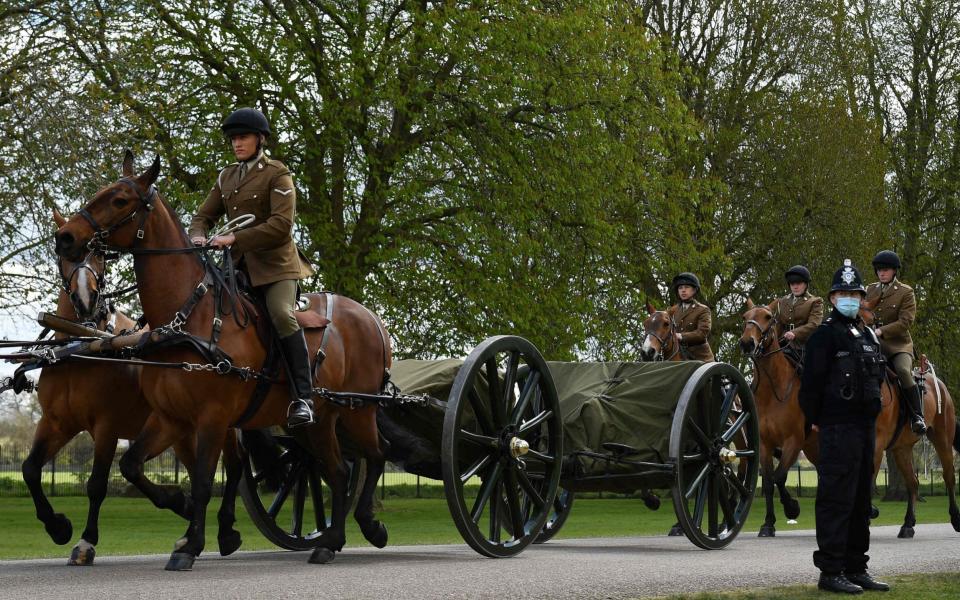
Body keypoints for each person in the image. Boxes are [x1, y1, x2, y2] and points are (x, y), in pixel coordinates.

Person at [188, 108, 316, 428]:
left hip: (276, 268)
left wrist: (234, 237)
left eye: (242, 137)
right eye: (233, 139)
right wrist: (199, 236)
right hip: (236, 270)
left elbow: (281, 226)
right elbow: (203, 216)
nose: (236, 143)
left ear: (260, 140)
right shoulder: (227, 177)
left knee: (281, 314)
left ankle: (304, 398)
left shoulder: (277, 173)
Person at [799, 259, 890, 594]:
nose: (850, 298)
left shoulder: (866, 334)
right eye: (844, 293)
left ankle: (856, 566)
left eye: (855, 292)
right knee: (837, 499)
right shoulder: (824, 335)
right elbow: (809, 387)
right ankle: (831, 571)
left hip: (865, 428)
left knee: (860, 501)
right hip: (837, 428)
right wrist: (817, 422)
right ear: (833, 297)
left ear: (861, 297)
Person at [865, 250, 926, 435]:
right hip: (874, 342)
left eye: (886, 269)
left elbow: (905, 321)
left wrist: (881, 330)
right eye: (879, 270)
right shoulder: (869, 290)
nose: (881, 273)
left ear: (894, 271)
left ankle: (917, 416)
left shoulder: (906, 292)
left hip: (898, 345)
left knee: (902, 371)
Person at [666, 272, 714, 362]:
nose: (683, 290)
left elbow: (702, 333)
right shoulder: (672, 310)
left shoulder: (703, 310)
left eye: (687, 287)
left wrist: (680, 336)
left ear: (694, 290)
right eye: (680, 288)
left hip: (699, 357)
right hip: (676, 355)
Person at [775, 265, 823, 352]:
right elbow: (778, 325)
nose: (795, 287)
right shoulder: (782, 301)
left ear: (805, 284)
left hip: (804, 345)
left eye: (798, 283)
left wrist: (795, 333)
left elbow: (814, 324)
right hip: (783, 344)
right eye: (792, 284)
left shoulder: (815, 302)